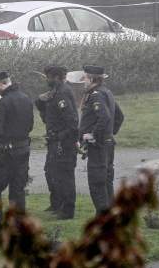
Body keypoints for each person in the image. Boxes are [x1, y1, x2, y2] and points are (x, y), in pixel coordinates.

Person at [0, 71, 34, 231]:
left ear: (0, 84)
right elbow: (31, 125)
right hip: (23, 148)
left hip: (6, 152)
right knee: (17, 189)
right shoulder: (26, 99)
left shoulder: (4, 102)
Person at [79, 64, 124, 214]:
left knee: (97, 182)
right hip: (107, 143)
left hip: (98, 146)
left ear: (91, 78)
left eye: (85, 77)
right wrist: (110, 133)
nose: (83, 80)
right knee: (106, 180)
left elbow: (104, 117)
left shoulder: (96, 94)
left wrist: (94, 134)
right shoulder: (107, 92)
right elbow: (119, 116)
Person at [35, 65, 79, 219]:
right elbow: (48, 114)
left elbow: (72, 123)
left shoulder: (62, 94)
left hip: (63, 143)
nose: (46, 80)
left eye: (49, 77)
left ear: (57, 78)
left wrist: (61, 136)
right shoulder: (55, 92)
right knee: (51, 172)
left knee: (64, 176)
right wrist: (39, 102)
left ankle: (67, 210)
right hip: (55, 141)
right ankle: (57, 203)